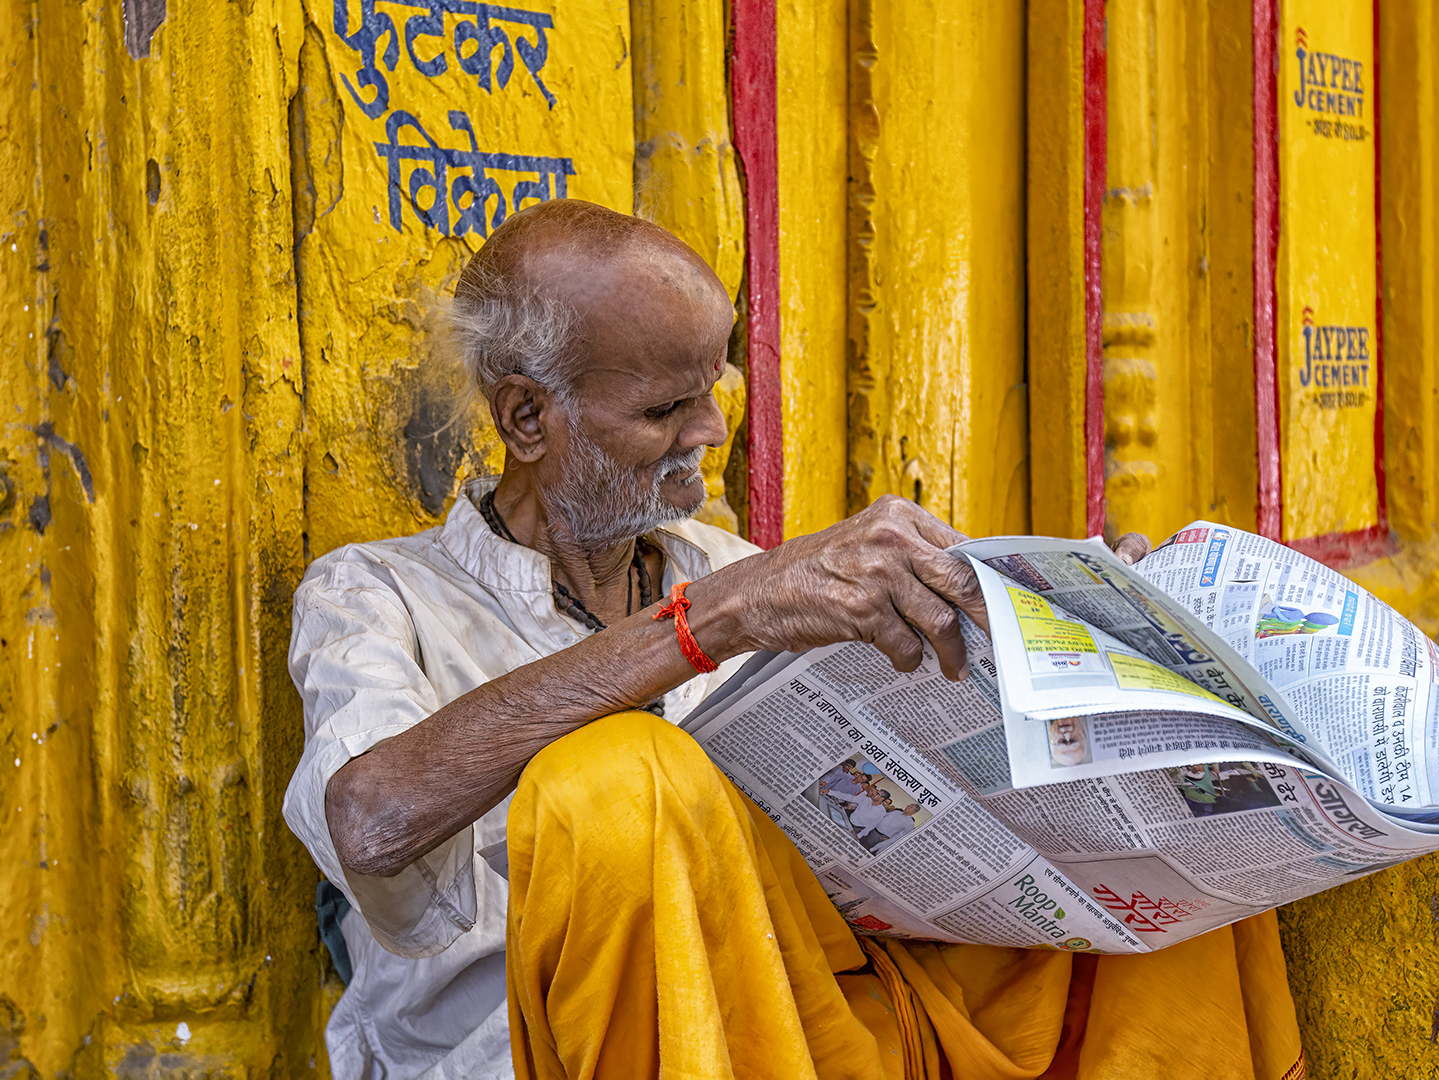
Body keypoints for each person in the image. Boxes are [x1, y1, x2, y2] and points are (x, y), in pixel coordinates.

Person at [282, 199, 1305, 1080]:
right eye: (665, 408)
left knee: (1169, 822)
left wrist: (1078, 628)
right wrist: (713, 621)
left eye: (714, 387)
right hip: (541, 1049)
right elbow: (369, 818)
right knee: (616, 781)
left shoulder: (717, 560)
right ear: (528, 417)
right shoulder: (378, 595)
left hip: (812, 1014)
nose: (711, 432)